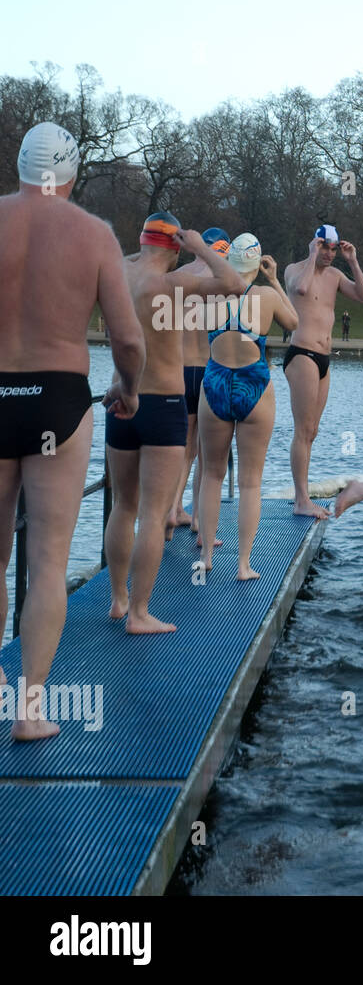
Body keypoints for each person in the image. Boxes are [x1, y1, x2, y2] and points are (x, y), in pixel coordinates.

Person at [0, 122, 146, 739]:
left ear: (21, 166)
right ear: (72, 173)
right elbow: (128, 337)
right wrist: (128, 388)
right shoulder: (94, 235)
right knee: (48, 559)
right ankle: (29, 712)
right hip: (57, 399)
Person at [107, 211, 245, 635]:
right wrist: (201, 246)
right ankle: (140, 614)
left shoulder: (118, 275)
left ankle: (117, 600)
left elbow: (132, 256)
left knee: (122, 506)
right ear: (175, 246)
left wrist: (146, 247)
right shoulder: (172, 284)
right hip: (163, 402)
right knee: (152, 514)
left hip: (119, 400)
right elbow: (235, 283)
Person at [197, 234, 298, 580]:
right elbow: (294, 323)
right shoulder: (267, 296)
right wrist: (273, 278)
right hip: (254, 385)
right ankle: (243, 565)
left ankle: (207, 555)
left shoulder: (209, 297)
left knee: (211, 475)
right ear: (257, 265)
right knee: (250, 483)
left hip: (215, 384)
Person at [283, 223, 363, 519]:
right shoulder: (295, 269)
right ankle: (301, 499)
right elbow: (301, 289)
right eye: (326, 248)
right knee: (302, 430)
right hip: (302, 355)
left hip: (323, 358)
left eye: (334, 249)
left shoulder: (335, 275)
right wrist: (312, 255)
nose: (330, 254)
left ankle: (302, 497)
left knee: (313, 431)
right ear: (315, 245)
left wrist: (353, 261)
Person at [169, 227, 230, 543]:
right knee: (205, 452)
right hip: (207, 369)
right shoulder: (221, 278)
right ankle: (199, 523)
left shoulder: (178, 274)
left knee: (183, 446)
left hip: (178, 369)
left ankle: (175, 506)